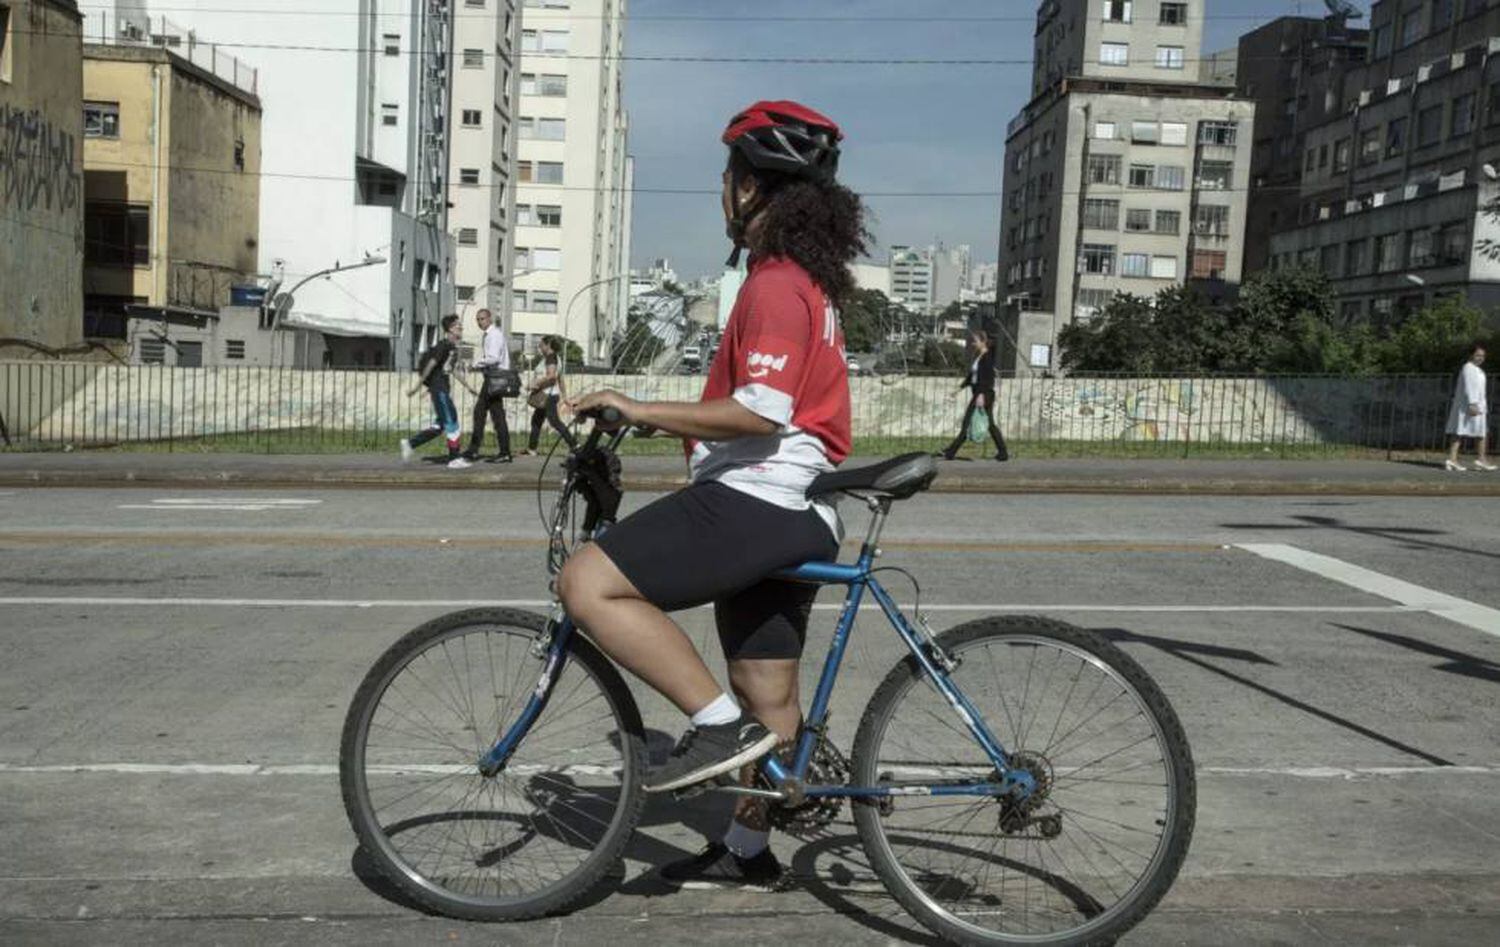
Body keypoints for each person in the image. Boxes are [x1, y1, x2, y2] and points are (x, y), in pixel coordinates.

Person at [557, 100, 864, 890]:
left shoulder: (774, 285)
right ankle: (749, 849)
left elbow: (759, 412)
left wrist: (638, 406)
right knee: (770, 692)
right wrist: (663, 424)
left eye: (727, 178)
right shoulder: (806, 286)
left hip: (759, 498)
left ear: (757, 189)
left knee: (585, 581)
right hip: (797, 509)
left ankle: (714, 726)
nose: (720, 194)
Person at [401, 315, 474, 468]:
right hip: (439, 390)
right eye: (457, 326)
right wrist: (417, 387)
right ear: (450, 329)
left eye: (460, 326)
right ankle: (454, 459)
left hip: (442, 390)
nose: (460, 328)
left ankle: (409, 444)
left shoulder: (452, 347)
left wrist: (468, 386)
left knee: (440, 426)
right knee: (452, 422)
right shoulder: (443, 346)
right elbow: (431, 365)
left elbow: (451, 370)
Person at [938, 328, 1009, 462]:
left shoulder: (987, 358)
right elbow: (972, 377)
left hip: (984, 394)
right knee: (991, 424)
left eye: (975, 341)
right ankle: (1003, 452)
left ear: (983, 342)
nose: (973, 344)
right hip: (980, 393)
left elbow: (987, 379)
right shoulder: (979, 357)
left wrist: (981, 395)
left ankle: (950, 452)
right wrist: (958, 389)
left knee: (967, 422)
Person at [464, 308, 513, 463]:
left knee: (485, 413)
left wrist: (475, 365)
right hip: (492, 378)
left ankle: (477, 450)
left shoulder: (494, 335)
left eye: (483, 319)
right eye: (478, 319)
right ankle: (499, 451)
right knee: (493, 415)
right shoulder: (489, 335)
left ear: (489, 318)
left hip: (495, 378)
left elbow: (493, 358)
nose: (480, 322)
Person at [1445, 342, 1492, 471]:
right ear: (1471, 355)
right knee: (1466, 432)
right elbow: (1470, 387)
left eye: (1483, 356)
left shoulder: (1476, 369)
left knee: (1471, 432)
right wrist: (1473, 404)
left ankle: (1454, 460)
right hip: (1470, 406)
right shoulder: (1469, 368)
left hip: (1475, 405)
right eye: (1478, 355)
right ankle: (1475, 460)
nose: (1481, 358)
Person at [519, 335, 566, 456]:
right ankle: (531, 448)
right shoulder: (555, 358)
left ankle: (575, 445)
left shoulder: (551, 358)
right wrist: (564, 396)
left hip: (547, 395)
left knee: (555, 422)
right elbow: (560, 379)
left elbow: (551, 376)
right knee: (536, 421)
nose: (539, 347)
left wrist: (534, 383)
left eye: (541, 344)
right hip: (550, 394)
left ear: (548, 345)